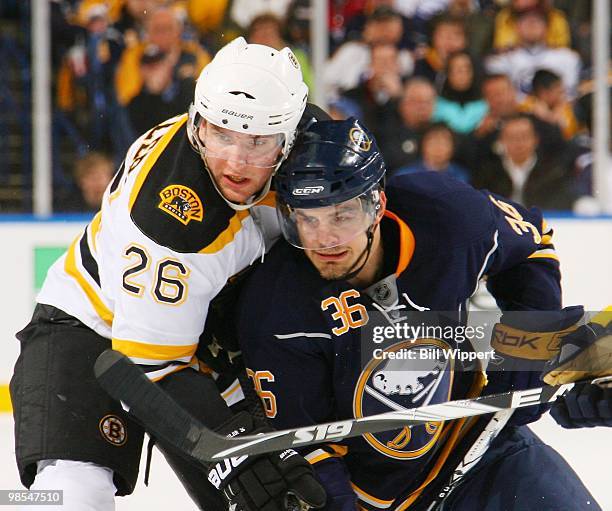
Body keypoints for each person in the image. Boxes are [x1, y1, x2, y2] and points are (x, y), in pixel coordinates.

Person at [10, 37, 327, 511]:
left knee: (284, 497)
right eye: (222, 135)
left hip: (205, 339)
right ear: (198, 122)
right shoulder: (174, 222)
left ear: (290, 133)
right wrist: (233, 452)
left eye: (258, 142)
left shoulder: (312, 141)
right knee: (73, 496)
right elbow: (148, 369)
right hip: (92, 327)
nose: (235, 162)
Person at [235, 118, 601, 510]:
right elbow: (309, 448)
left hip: (483, 450)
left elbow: (532, 243)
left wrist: (530, 348)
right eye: (308, 219)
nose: (324, 239)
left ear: (377, 205)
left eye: (342, 215)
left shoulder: (446, 218)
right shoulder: (275, 311)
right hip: (378, 501)